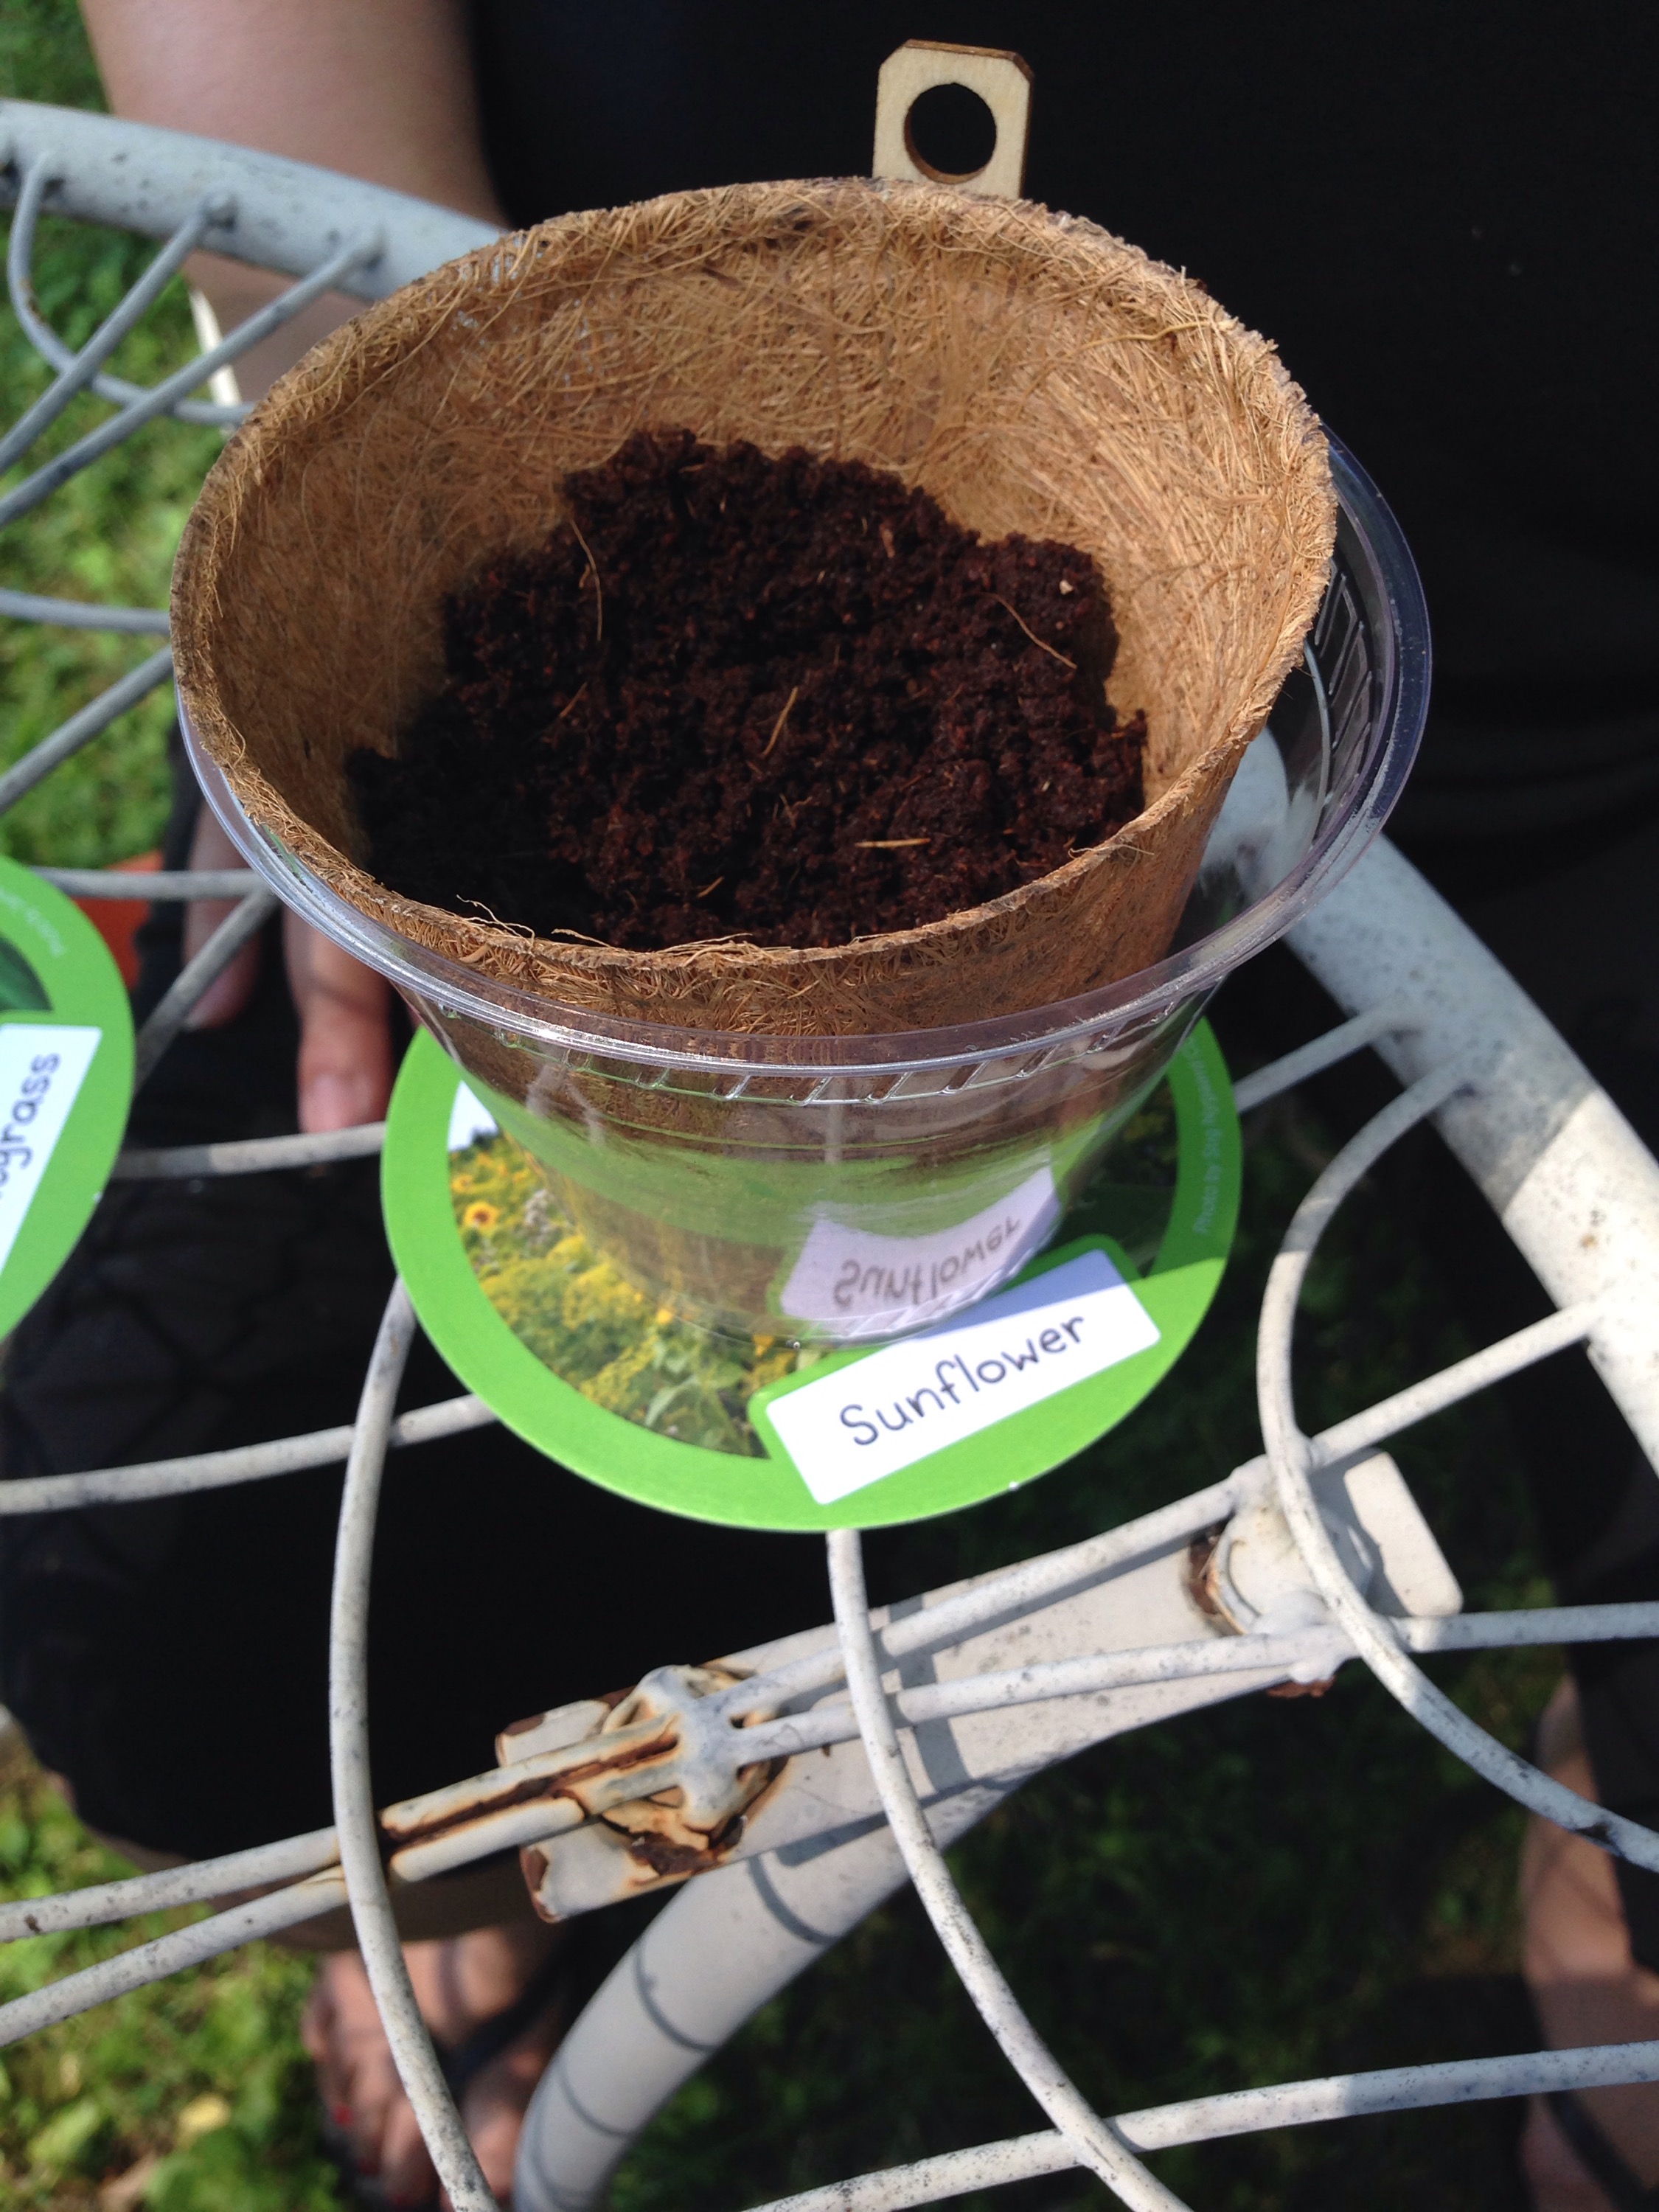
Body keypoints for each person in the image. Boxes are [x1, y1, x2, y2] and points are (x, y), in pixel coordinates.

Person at [4, 3, 1656, 2202]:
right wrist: (381, 443)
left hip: (1581, 679)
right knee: (180, 1658)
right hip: (558, 406)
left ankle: (1605, 1919)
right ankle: (503, 1889)